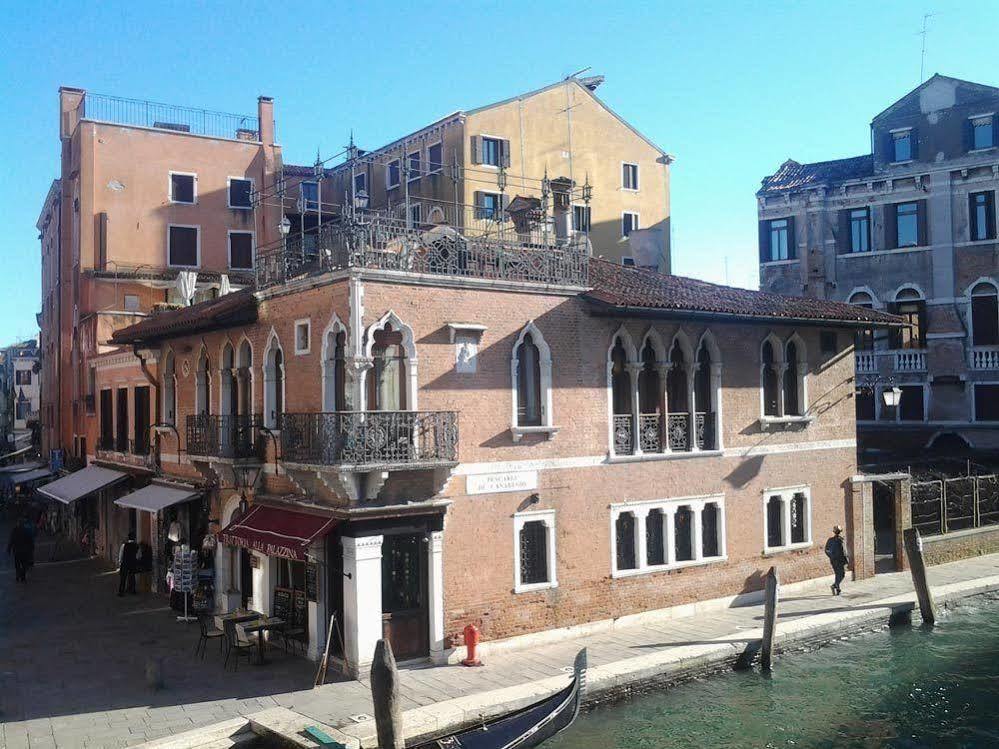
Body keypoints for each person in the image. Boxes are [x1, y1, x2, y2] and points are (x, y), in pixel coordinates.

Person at [7, 514, 35, 583]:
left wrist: (9, 549)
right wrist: (31, 547)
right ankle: (22, 576)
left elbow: (11, 540)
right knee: (24, 564)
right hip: (24, 551)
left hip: (17, 551)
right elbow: (30, 540)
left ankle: (18, 575)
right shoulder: (25, 531)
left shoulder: (15, 530)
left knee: (18, 564)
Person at [825, 525, 849, 595]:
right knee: (842, 575)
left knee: (837, 574)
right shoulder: (841, 540)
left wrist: (831, 557)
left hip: (833, 560)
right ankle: (835, 585)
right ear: (840, 532)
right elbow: (844, 552)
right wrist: (847, 561)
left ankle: (838, 589)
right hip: (840, 560)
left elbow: (826, 550)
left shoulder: (830, 540)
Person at [117, 532, 139, 596]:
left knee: (123, 578)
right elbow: (138, 555)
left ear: (128, 538)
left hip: (125, 563)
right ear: (134, 538)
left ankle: (121, 592)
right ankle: (132, 590)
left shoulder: (124, 545)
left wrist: (120, 562)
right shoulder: (136, 545)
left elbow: (121, 554)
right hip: (132, 563)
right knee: (132, 576)